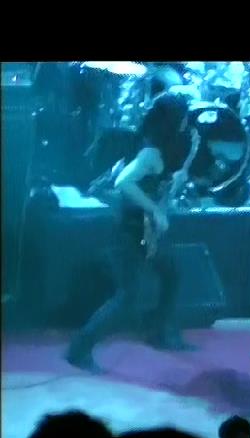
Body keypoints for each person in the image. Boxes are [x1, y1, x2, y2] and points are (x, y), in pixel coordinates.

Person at [66, 93, 197, 373]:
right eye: (184, 116)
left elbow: (163, 188)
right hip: (129, 232)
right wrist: (155, 210)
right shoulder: (150, 153)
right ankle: (78, 349)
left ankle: (160, 331)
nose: (188, 121)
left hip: (147, 231)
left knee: (173, 272)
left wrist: (179, 178)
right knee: (127, 296)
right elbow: (123, 182)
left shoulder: (169, 148)